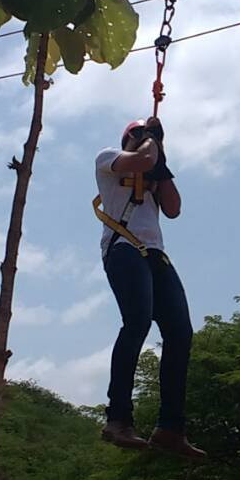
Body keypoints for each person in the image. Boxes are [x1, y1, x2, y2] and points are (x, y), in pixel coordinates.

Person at [94, 117, 206, 459]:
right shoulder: (108, 158)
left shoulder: (154, 169)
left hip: (154, 253)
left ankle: (170, 426)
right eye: (140, 135)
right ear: (129, 138)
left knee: (180, 333)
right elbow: (141, 159)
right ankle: (118, 418)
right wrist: (150, 144)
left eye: (150, 137)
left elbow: (173, 209)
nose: (146, 141)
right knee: (137, 321)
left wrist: (163, 164)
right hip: (124, 247)